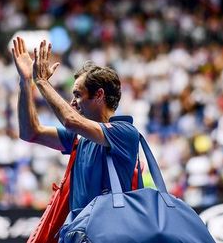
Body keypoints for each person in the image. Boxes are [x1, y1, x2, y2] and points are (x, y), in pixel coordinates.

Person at [11, 36, 141, 212]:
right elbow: (30, 132)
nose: (73, 102)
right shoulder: (78, 138)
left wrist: (41, 81)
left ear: (99, 95)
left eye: (78, 95)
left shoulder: (124, 132)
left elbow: (70, 120)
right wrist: (26, 82)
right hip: (80, 233)